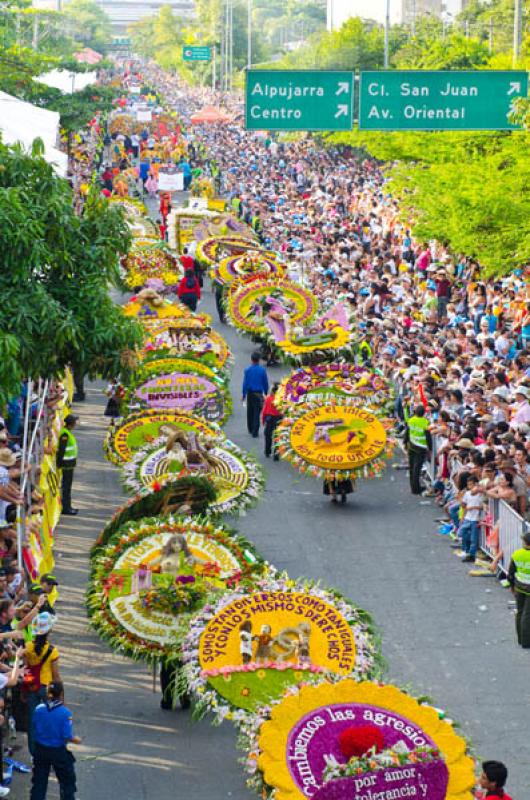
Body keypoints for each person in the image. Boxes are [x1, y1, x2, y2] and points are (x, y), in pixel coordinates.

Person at [30, 682, 81, 800]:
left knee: (39, 782)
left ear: (47, 694)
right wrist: (77, 740)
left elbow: (34, 725)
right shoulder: (65, 713)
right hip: (58, 751)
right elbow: (67, 735)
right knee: (67, 781)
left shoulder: (39, 709)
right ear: (62, 694)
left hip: (40, 749)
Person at [23, 612, 61, 756]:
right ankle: (48, 754)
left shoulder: (28, 647)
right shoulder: (52, 651)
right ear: (49, 630)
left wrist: (24, 691)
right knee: (50, 722)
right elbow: (56, 675)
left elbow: (26, 670)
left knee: (33, 722)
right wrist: (61, 695)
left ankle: (35, 755)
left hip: (32, 687)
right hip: (47, 689)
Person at [508, 530, 530, 648]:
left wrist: (512, 586)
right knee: (527, 615)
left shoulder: (517, 554)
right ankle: (527, 642)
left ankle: (521, 639)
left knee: (520, 612)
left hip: (519, 587)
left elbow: (511, 573)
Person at [404, 405, 432, 495]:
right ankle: (416, 489)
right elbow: (428, 437)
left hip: (411, 446)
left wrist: (405, 443)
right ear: (424, 414)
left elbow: (407, 432)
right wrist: (430, 448)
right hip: (421, 448)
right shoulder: (425, 422)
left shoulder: (411, 420)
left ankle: (413, 487)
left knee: (412, 467)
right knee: (417, 469)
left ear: (415, 412)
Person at [458, 475, 485, 564]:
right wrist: (462, 517)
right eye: (468, 485)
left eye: (471, 485)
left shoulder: (480, 494)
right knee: (462, 533)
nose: (470, 487)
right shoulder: (467, 493)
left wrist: (474, 507)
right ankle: (466, 549)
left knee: (474, 538)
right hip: (467, 517)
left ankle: (471, 554)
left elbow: (483, 506)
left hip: (475, 519)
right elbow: (464, 505)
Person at [242, 352, 269, 438]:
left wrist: (243, 394)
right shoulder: (262, 370)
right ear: (259, 360)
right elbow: (265, 382)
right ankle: (255, 431)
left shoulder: (247, 370)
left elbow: (245, 383)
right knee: (257, 412)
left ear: (251, 359)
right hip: (258, 393)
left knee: (250, 411)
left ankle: (250, 428)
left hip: (250, 393)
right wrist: (266, 391)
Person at [57, 415, 79, 516]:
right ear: (71, 423)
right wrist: (59, 463)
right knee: (66, 487)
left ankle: (68, 506)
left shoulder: (67, 433)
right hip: (66, 464)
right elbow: (61, 450)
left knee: (67, 486)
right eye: (75, 421)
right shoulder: (65, 434)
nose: (76, 423)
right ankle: (66, 508)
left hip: (69, 464)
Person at [262, 384, 282, 459]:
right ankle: (276, 453)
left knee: (268, 435)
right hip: (279, 418)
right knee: (277, 436)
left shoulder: (268, 398)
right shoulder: (281, 399)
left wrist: (263, 420)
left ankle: (267, 451)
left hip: (270, 418)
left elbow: (265, 410)